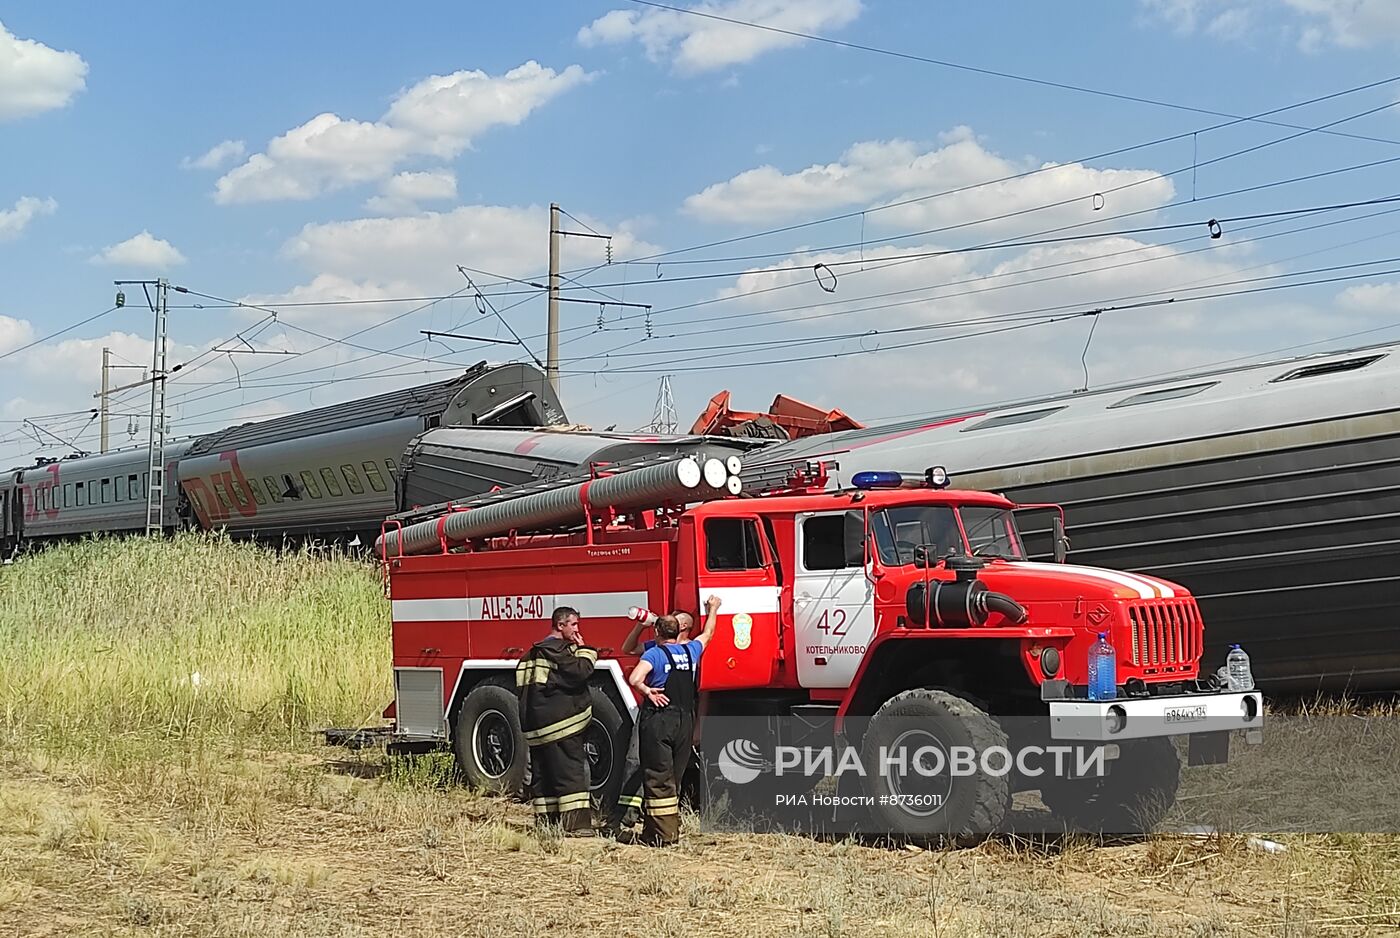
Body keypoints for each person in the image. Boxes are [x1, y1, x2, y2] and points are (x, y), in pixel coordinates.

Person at [628, 595, 721, 845]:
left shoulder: (655, 655)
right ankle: (664, 829)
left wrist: (648, 692)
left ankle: (662, 836)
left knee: (657, 777)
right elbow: (709, 633)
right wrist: (713, 608)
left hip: (660, 720)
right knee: (673, 777)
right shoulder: (690, 651)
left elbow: (635, 678)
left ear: (657, 632)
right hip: (684, 719)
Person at [610, 608, 697, 831]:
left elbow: (635, 678)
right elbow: (627, 648)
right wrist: (641, 624)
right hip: (673, 717)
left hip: (664, 716)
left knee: (662, 772)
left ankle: (660, 822)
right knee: (638, 761)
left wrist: (646, 690)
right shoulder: (679, 650)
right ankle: (631, 814)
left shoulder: (679, 650)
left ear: (683, 628)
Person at [516, 605, 597, 832]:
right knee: (570, 775)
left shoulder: (530, 655)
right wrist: (585, 650)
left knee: (543, 777)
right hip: (561, 726)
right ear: (560, 625)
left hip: (536, 727)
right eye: (574, 625)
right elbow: (581, 671)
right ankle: (577, 826)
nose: (577, 630)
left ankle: (547, 824)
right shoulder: (559, 652)